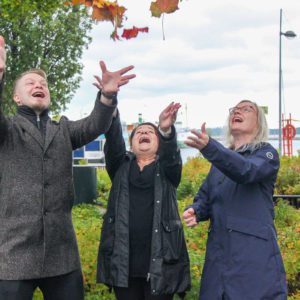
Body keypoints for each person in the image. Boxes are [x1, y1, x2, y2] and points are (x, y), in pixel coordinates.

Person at [0, 35, 135, 300]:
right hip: (12, 253)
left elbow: (96, 124)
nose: (39, 85)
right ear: (16, 97)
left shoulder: (63, 130)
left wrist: (107, 96)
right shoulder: (7, 129)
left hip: (62, 255)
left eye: (43, 84)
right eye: (31, 83)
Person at [182, 100, 287, 300]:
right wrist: (196, 210)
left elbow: (246, 171)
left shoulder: (266, 154)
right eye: (234, 109)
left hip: (253, 261)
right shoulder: (221, 162)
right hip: (218, 261)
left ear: (259, 123)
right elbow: (205, 198)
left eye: (246, 108)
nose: (237, 111)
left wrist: (210, 147)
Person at [95, 92, 191, 299]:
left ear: (159, 144)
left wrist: (165, 130)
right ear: (131, 144)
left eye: (151, 131)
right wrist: (110, 102)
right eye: (139, 132)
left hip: (161, 262)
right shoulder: (120, 167)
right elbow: (113, 142)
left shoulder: (167, 169)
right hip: (124, 263)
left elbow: (172, 155)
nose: (144, 133)